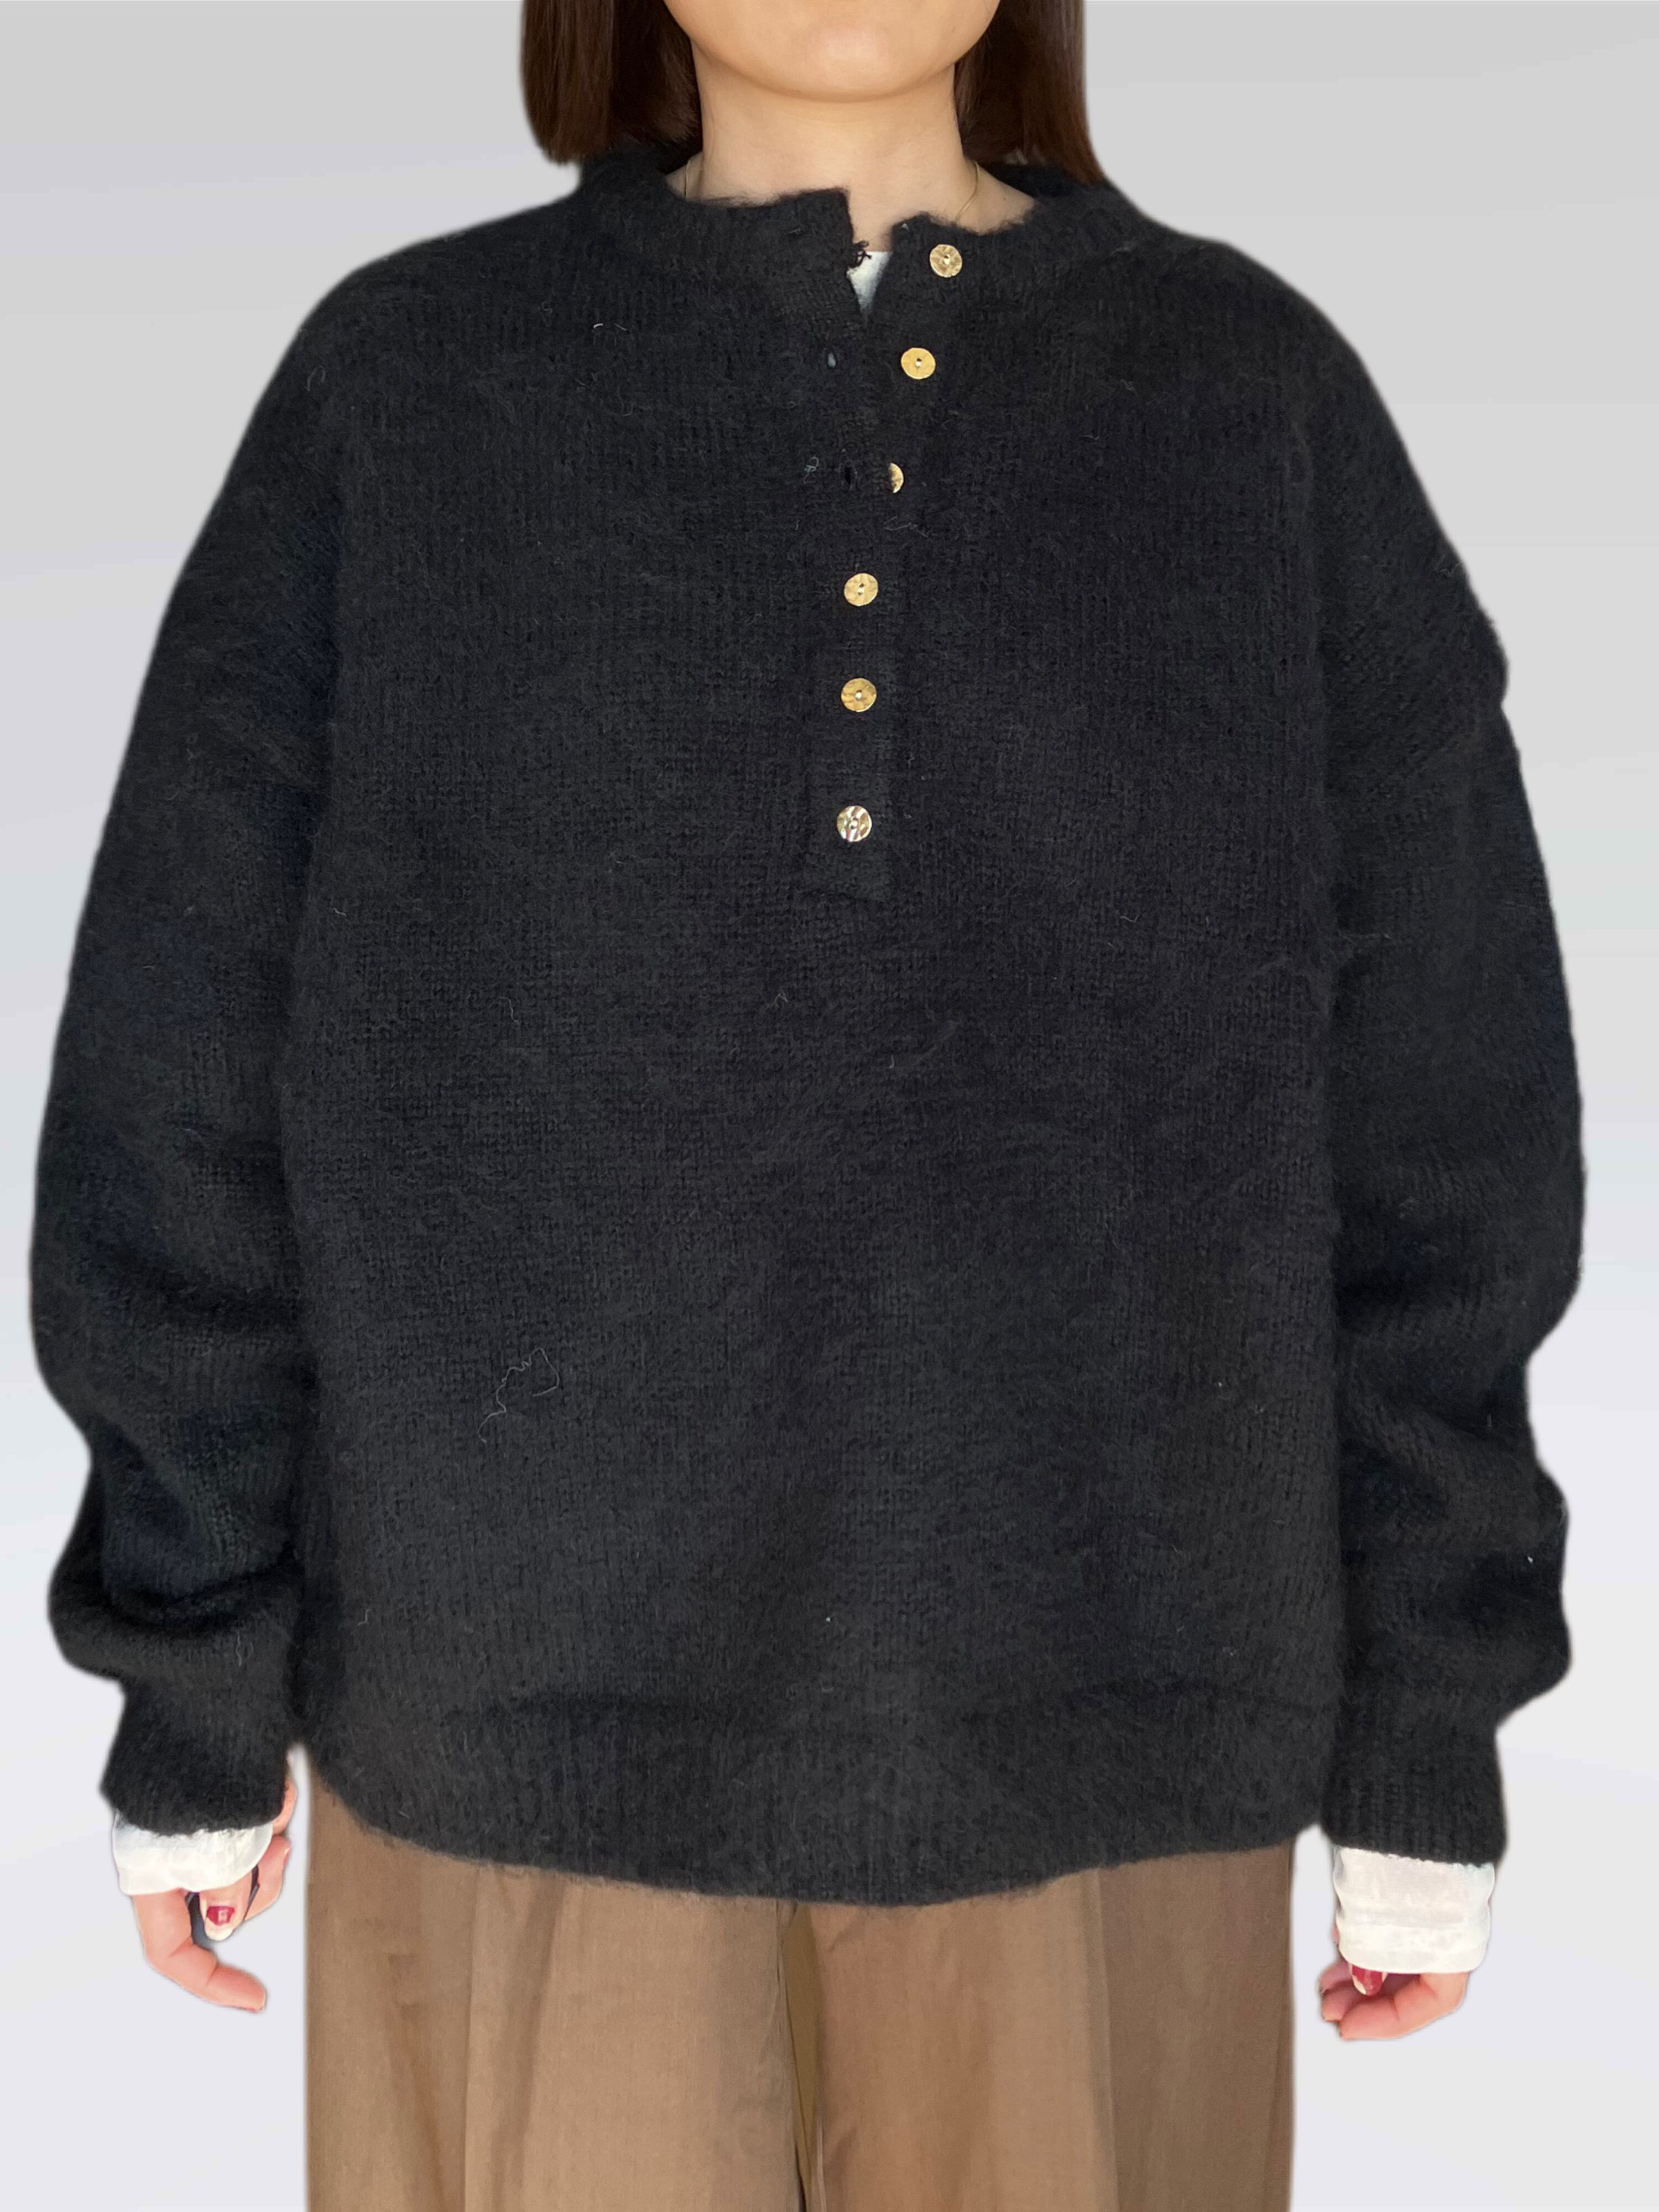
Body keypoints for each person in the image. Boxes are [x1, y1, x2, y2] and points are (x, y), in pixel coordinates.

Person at [33, 1, 1582, 2205]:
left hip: (1118, 1756)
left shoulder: (1255, 399)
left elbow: (1450, 1117)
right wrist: (191, 1666)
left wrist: (1428, 1723)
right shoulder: (409, 388)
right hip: (510, 1762)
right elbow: (180, 1054)